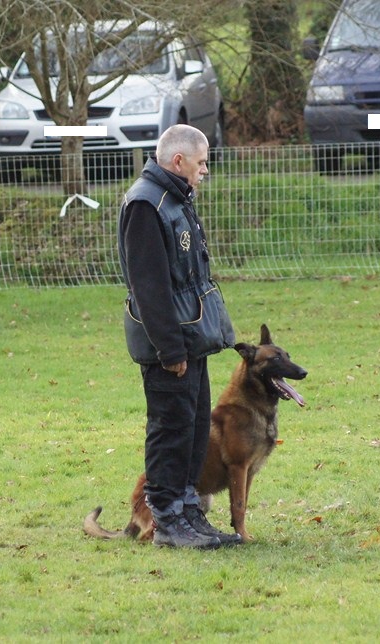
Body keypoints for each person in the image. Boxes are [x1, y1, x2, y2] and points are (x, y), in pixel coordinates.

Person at [117, 124, 239, 549]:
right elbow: (149, 286)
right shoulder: (146, 205)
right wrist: (169, 348)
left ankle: (189, 511)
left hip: (193, 337)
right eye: (201, 163)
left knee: (193, 427)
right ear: (178, 160)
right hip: (168, 344)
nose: (205, 171)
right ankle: (166, 517)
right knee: (170, 428)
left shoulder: (176, 199)